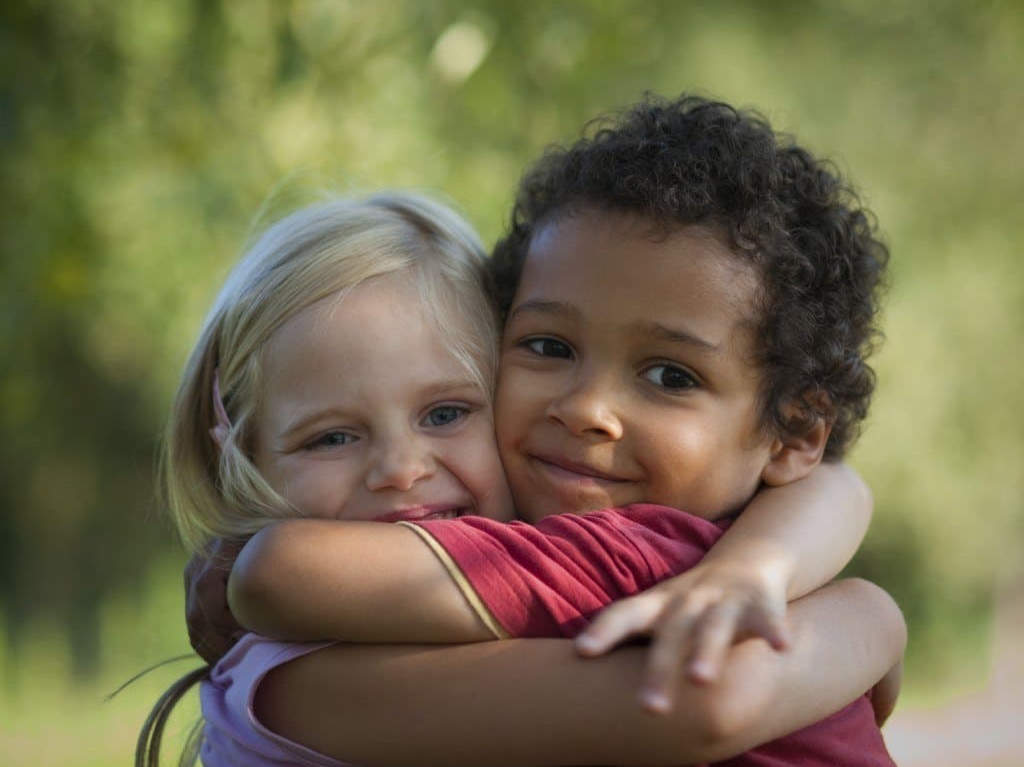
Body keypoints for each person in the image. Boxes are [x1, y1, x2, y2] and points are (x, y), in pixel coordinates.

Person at [161, 98, 902, 765]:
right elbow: (709, 698)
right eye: (550, 347)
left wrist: (844, 604)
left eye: (672, 375)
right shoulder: (305, 676)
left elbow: (834, 486)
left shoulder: (687, 565)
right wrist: (866, 618)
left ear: (793, 431)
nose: (586, 408)